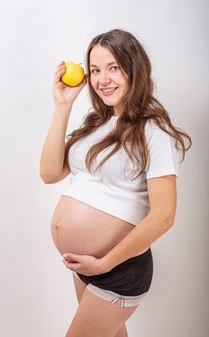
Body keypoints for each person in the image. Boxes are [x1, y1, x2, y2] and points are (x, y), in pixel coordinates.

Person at [40, 29, 192, 337]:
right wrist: (62, 106)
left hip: (117, 268)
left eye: (113, 67)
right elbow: (50, 173)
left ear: (134, 68)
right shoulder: (97, 123)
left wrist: (105, 263)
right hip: (87, 266)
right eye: (95, 70)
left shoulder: (153, 130)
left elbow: (164, 217)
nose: (102, 79)